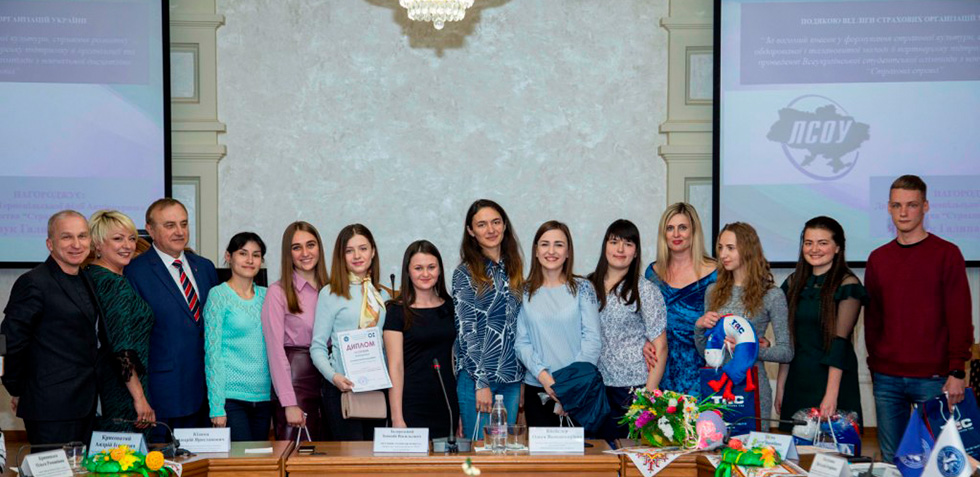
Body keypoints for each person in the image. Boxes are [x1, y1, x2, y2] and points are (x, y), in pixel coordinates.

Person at [865, 175, 973, 462]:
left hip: (935, 378)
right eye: (897, 205)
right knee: (893, 460)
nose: (903, 212)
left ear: (925, 207)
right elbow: (873, 320)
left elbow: (960, 316)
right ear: (888, 208)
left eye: (911, 205)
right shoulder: (878, 258)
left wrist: (957, 371)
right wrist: (875, 365)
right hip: (887, 378)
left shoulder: (947, 254)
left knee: (940, 461)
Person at [1, 210, 109, 444]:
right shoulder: (33, 282)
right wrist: (18, 389)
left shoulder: (86, 278)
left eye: (82, 236)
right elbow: (9, 341)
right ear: (50, 244)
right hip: (50, 407)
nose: (76, 244)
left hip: (86, 402)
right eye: (67, 237)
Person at [126, 198, 219, 437]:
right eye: (170, 225)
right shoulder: (135, 272)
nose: (180, 231)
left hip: (207, 392)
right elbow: (129, 338)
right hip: (163, 395)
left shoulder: (205, 267)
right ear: (150, 230)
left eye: (184, 224)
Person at [695, 222, 792, 431]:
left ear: (748, 249)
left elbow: (786, 352)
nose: (723, 254)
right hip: (718, 388)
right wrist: (699, 327)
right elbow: (706, 352)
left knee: (754, 450)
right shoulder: (712, 291)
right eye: (720, 247)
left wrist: (749, 349)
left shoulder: (772, 295)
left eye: (730, 248)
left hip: (752, 387)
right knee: (715, 447)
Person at [776, 217, 865, 431]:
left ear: (837, 247)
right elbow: (788, 340)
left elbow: (839, 344)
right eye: (808, 243)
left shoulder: (848, 285)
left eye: (822, 243)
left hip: (833, 381)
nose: (814, 249)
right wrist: (781, 387)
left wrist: (831, 394)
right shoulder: (792, 283)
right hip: (798, 380)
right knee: (794, 447)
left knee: (832, 447)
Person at [515, 221, 601, 428]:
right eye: (545, 244)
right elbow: (521, 343)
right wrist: (545, 378)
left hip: (578, 391)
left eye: (559, 245)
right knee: (540, 450)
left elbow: (592, 340)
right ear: (536, 251)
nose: (551, 251)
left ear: (568, 252)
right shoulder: (524, 291)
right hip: (538, 389)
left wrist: (569, 387)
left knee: (580, 450)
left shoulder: (583, 288)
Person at [588, 219, 668, 439]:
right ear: (605, 246)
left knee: (630, 455)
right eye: (614, 242)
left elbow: (661, 347)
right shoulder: (587, 286)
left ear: (636, 252)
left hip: (632, 390)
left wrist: (647, 399)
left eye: (628, 244)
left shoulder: (646, 290)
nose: (620, 249)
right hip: (596, 389)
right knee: (597, 455)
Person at [453, 199, 524, 439]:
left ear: (504, 225)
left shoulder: (515, 269)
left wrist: (522, 379)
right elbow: (466, 331)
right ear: (471, 231)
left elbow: (518, 326)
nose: (491, 230)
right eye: (482, 225)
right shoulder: (465, 273)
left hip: (511, 379)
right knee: (482, 452)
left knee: (504, 452)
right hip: (478, 379)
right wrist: (481, 382)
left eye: (496, 222)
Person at [312, 224, 389, 440]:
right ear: (341, 256)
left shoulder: (382, 296)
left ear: (373, 252)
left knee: (376, 457)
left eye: (363, 248)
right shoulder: (330, 293)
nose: (357, 256)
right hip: (342, 389)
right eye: (349, 250)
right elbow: (317, 347)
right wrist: (334, 377)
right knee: (351, 456)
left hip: (376, 390)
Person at [87, 210, 155, 434]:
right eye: (118, 239)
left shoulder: (92, 274)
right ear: (97, 244)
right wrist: (139, 398)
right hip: (122, 392)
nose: (128, 246)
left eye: (132, 238)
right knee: (126, 454)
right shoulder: (114, 285)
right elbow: (121, 348)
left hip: (104, 385)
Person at [261, 221, 330, 441]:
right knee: (298, 454)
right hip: (297, 381)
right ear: (288, 253)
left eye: (310, 245)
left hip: (331, 385)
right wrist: (289, 402)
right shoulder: (277, 292)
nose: (305, 253)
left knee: (333, 454)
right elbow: (275, 352)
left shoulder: (333, 290)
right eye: (296, 247)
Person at [383, 240, 458, 438]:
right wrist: (397, 417)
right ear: (408, 272)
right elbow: (395, 367)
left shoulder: (450, 307)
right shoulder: (396, 311)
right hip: (412, 403)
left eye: (431, 267)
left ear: (440, 270)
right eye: (418, 268)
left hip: (446, 401)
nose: (425, 273)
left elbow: (454, 360)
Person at [204, 232, 272, 441]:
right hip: (231, 399)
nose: (250, 260)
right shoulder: (218, 296)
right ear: (228, 256)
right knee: (242, 459)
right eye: (243, 253)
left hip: (264, 397)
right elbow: (212, 354)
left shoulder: (268, 295)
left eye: (256, 255)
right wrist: (217, 406)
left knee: (261, 459)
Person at [645, 203, 717, 396]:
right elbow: (644, 319)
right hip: (660, 369)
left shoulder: (716, 273)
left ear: (694, 231)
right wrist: (644, 341)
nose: (676, 234)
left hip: (701, 369)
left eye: (682, 227)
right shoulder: (652, 274)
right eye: (670, 228)